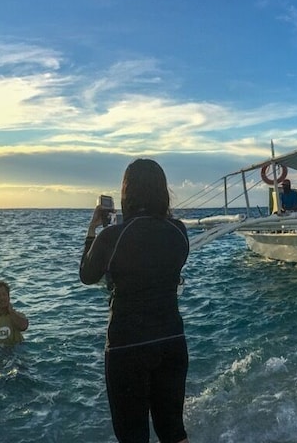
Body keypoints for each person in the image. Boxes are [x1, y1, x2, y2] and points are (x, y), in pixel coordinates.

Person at [80, 158, 191, 443]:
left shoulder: (112, 236)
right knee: (174, 432)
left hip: (127, 347)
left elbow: (87, 275)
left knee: (133, 437)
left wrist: (94, 230)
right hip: (171, 340)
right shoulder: (179, 231)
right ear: (162, 191)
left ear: (126, 192)